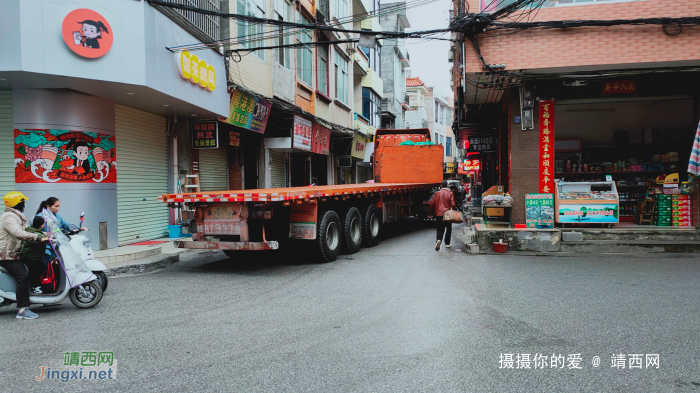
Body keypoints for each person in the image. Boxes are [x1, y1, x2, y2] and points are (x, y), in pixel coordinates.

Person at [1, 192, 50, 320]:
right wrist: (38, 238)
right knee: (22, 276)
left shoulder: (17, 216)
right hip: (6, 255)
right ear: (19, 203)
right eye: (24, 202)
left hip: (16, 253)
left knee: (37, 265)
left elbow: (28, 231)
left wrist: (47, 234)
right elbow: (18, 233)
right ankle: (22, 310)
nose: (25, 204)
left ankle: (41, 296)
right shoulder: (8, 217)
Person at [36, 197, 88, 268]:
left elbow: (65, 224)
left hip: (57, 242)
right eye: (56, 206)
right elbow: (36, 231)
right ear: (48, 206)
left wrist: (77, 228)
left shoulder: (57, 216)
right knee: (46, 263)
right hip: (46, 245)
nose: (58, 208)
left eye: (59, 206)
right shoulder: (40, 216)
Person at [22, 216, 49, 294]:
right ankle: (36, 287)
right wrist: (47, 240)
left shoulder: (32, 230)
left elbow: (41, 235)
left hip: (33, 256)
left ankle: (36, 286)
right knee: (36, 272)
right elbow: (40, 239)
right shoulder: (36, 233)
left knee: (38, 270)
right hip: (33, 257)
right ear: (41, 225)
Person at [429, 181, 456, 251]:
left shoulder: (437, 193)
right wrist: (453, 209)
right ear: (447, 186)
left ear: (441, 186)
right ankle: (447, 243)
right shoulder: (450, 193)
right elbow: (453, 204)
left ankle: (438, 240)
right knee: (448, 228)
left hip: (438, 214)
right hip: (447, 214)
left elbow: (432, 204)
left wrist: (430, 213)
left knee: (439, 228)